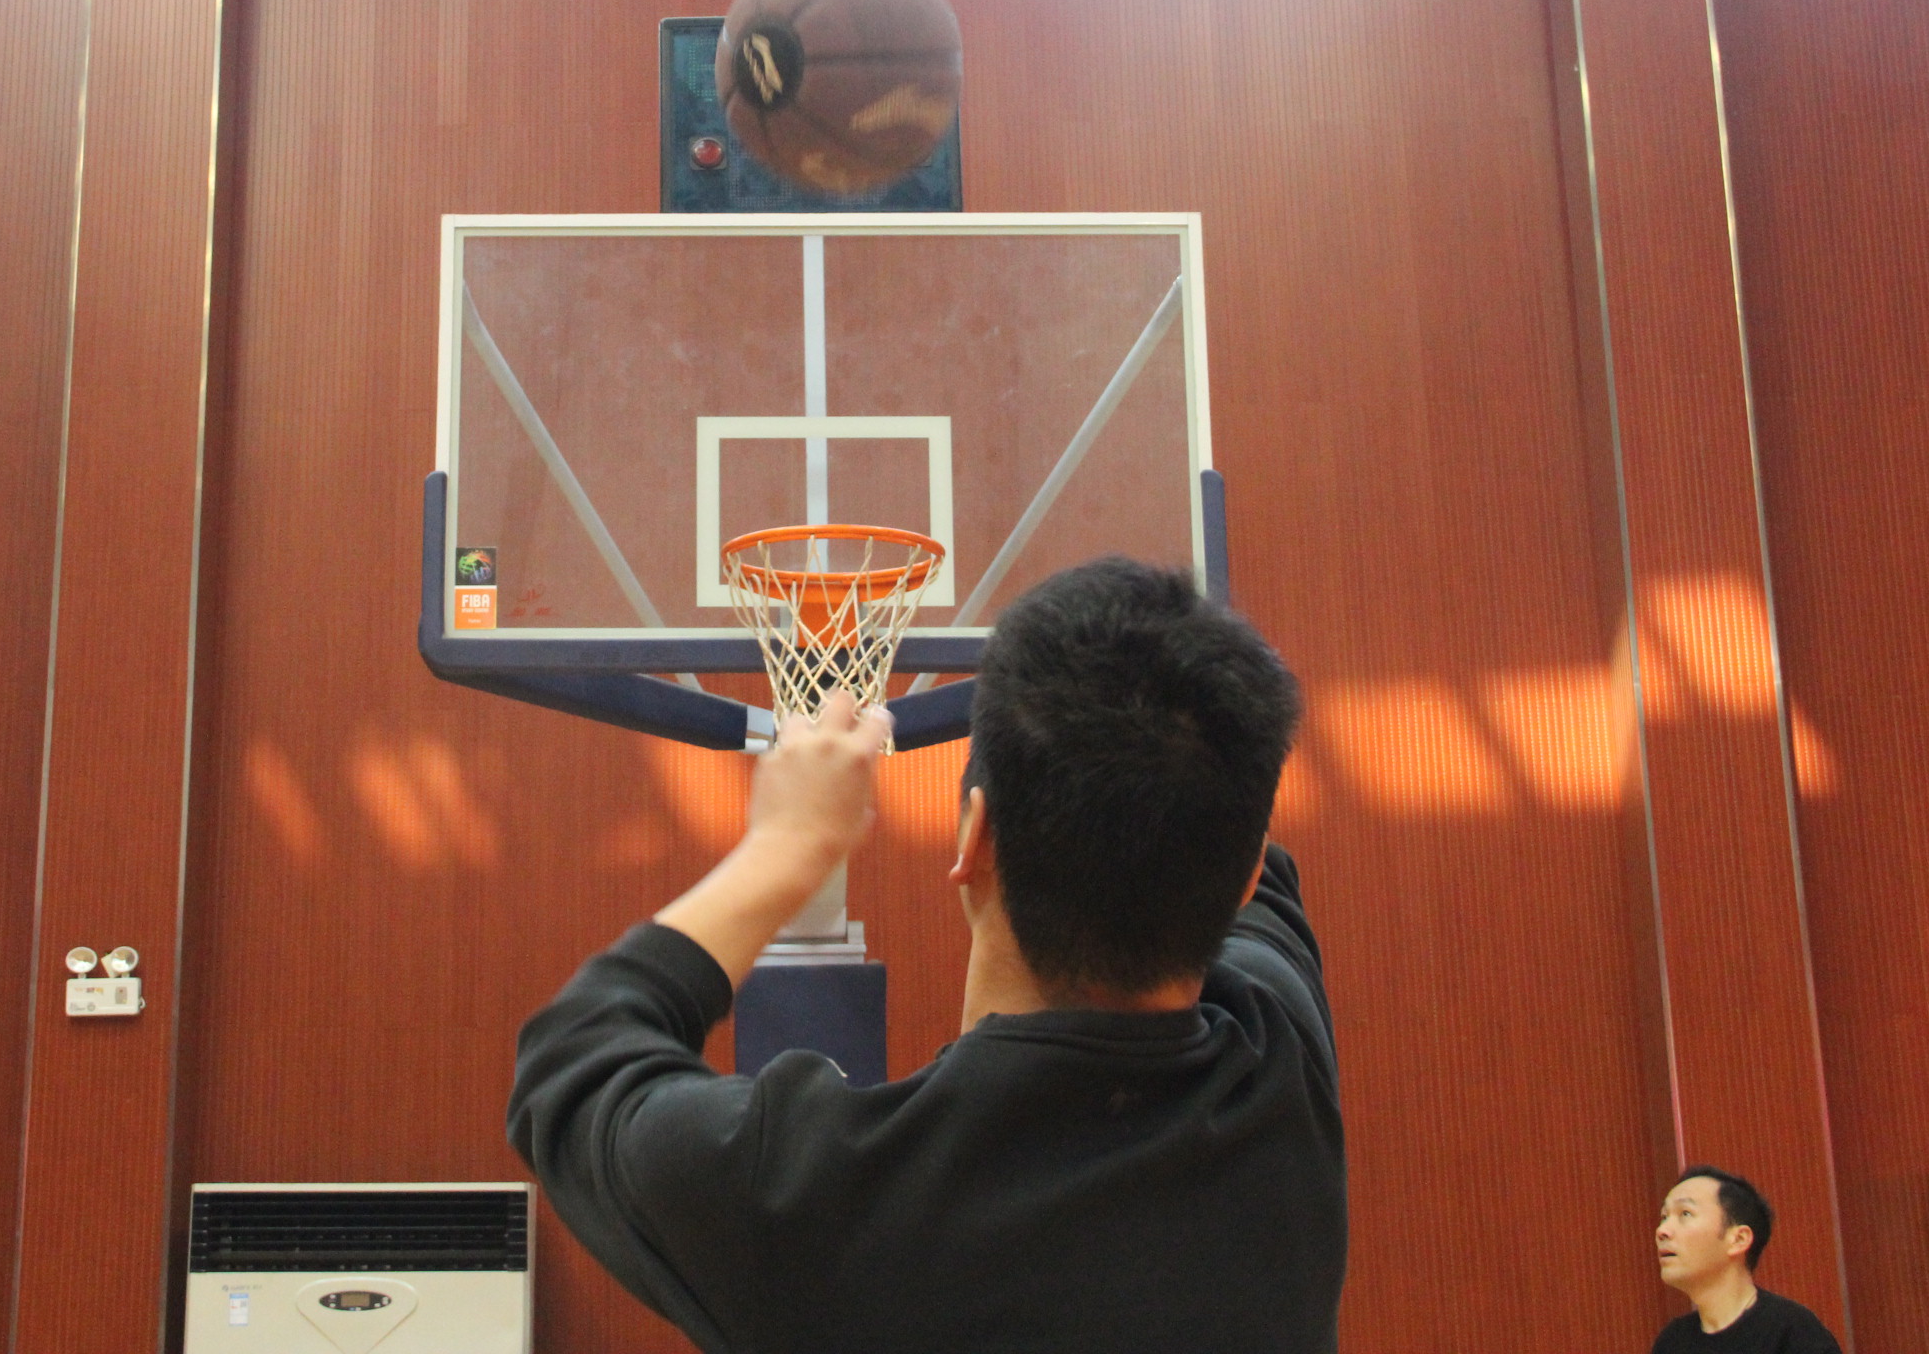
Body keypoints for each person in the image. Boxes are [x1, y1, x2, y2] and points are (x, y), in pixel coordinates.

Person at [509, 557, 1342, 1354]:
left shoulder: (810, 1210)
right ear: (1241, 878)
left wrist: (787, 848)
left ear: (974, 839)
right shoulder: (1284, 1071)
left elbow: (572, 1063)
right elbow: (1238, 841)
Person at [1653, 1167, 1842, 1352]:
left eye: (1685, 1213)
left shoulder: (1795, 1333)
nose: (1662, 1230)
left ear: (1738, 1239)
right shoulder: (1672, 1343)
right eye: (1664, 1216)